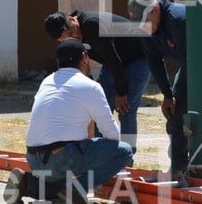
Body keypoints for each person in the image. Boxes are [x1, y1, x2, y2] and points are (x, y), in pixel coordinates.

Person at [3, 38, 134, 204]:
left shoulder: (47, 81)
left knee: (62, 189)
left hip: (34, 159)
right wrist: (109, 160)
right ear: (84, 58)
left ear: (59, 61)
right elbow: (111, 134)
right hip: (63, 156)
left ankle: (27, 183)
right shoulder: (90, 86)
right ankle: (77, 190)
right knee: (124, 151)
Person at [127, 0, 202, 177]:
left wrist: (180, 97)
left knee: (200, 113)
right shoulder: (146, 29)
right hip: (191, 64)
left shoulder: (179, 19)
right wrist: (168, 96)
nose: (142, 28)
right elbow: (154, 60)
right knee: (175, 113)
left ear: (154, 10)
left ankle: (201, 168)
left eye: (144, 22)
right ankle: (179, 167)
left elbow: (196, 60)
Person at [44, 10, 150, 148]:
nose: (73, 39)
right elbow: (83, 67)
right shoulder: (69, 40)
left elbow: (113, 59)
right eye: (66, 39)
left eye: (71, 34)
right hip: (113, 62)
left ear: (72, 20)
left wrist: (121, 92)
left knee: (126, 109)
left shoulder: (93, 25)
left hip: (138, 57)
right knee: (98, 107)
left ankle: (127, 157)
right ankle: (102, 153)